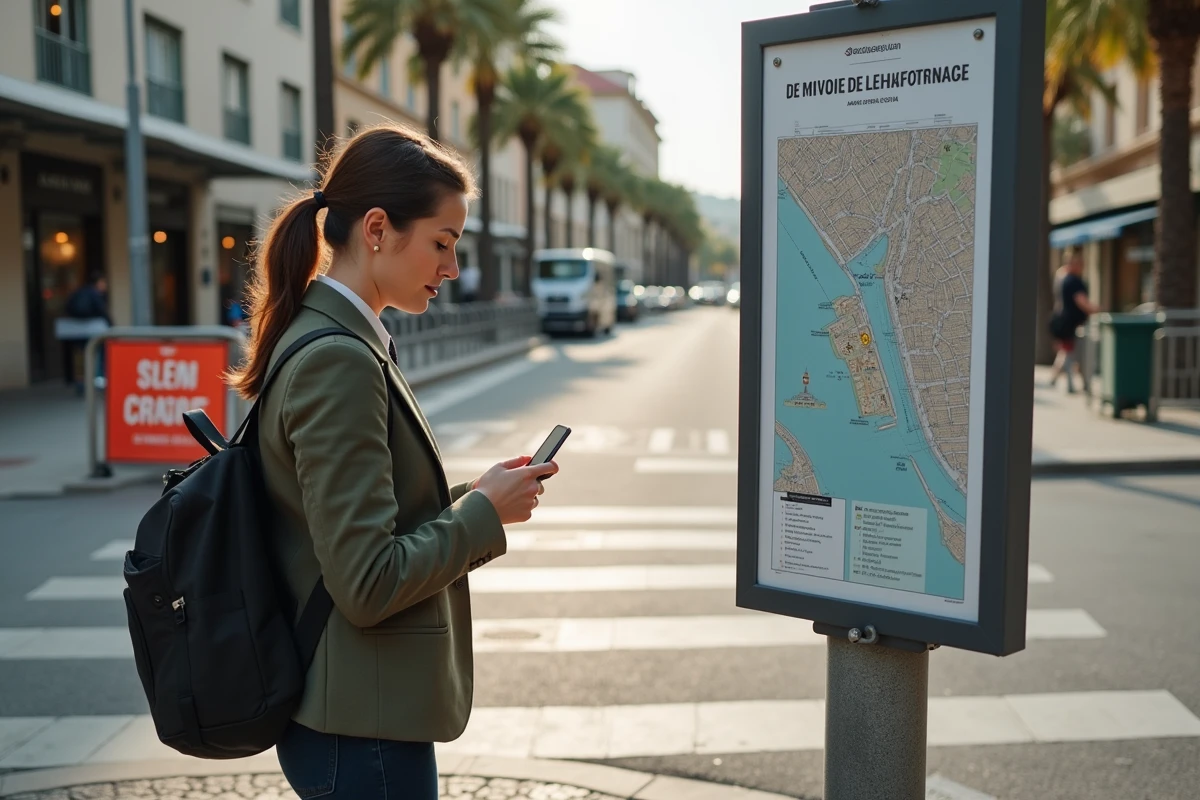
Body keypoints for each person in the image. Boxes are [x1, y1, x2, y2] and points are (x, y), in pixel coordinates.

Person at [226, 123, 557, 799]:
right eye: (443, 243)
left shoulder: (335, 339)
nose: (453, 269)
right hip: (360, 725)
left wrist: (479, 494)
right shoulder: (338, 360)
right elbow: (368, 582)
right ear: (377, 229)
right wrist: (481, 517)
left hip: (354, 713)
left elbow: (358, 522)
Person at [1047, 249, 1098, 393]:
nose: (1082, 266)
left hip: (1064, 321)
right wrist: (1097, 309)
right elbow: (1081, 301)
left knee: (1066, 352)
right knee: (1073, 354)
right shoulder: (1073, 281)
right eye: (1079, 263)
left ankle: (1056, 378)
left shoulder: (1062, 278)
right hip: (1072, 324)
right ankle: (1073, 384)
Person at [59, 273, 110, 392]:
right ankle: (97, 380)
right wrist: (111, 325)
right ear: (98, 283)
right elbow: (102, 311)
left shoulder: (78, 292)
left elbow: (67, 308)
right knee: (98, 355)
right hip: (94, 331)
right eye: (103, 283)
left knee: (80, 357)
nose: (104, 286)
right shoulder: (94, 294)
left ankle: (80, 382)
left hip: (76, 332)